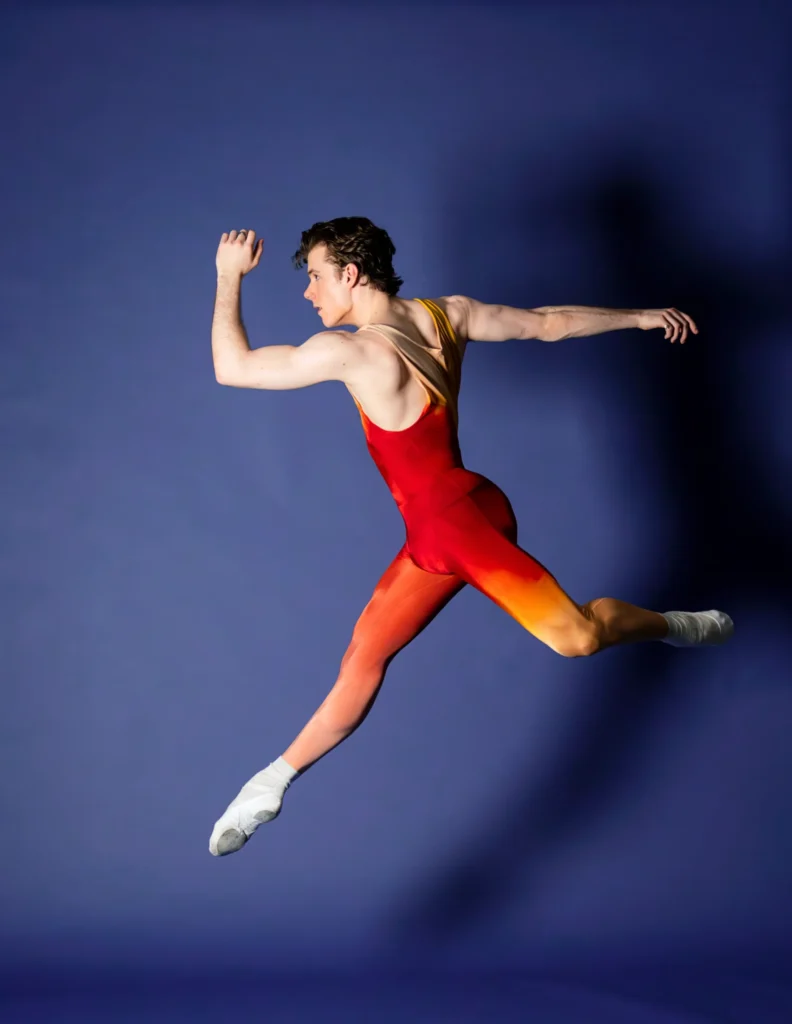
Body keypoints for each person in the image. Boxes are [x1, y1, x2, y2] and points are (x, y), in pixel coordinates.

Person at [208, 217, 733, 857]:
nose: (309, 293)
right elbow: (548, 322)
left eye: (315, 277)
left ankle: (677, 625)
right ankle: (267, 787)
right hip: (444, 526)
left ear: (350, 273)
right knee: (363, 657)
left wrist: (227, 276)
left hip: (460, 523)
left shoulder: (351, 350)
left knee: (579, 640)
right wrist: (641, 316)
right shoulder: (445, 314)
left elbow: (231, 368)